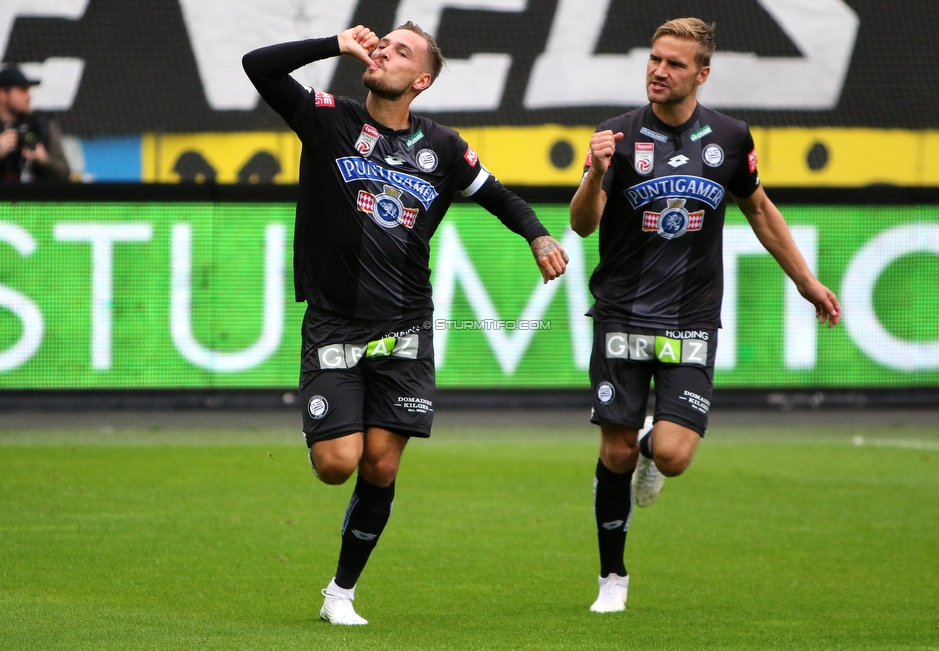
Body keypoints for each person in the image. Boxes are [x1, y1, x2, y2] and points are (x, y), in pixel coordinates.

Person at [242, 23, 568, 625]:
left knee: (382, 464)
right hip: (336, 323)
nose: (383, 52)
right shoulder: (327, 118)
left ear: (419, 81)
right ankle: (327, 426)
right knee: (337, 465)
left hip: (406, 324)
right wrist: (334, 44)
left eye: (399, 50)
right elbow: (257, 63)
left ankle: (340, 593)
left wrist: (538, 234)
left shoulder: (442, 147)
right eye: (381, 44)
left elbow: (498, 195)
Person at [569, 17, 841, 613]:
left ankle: (649, 450)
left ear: (702, 73)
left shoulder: (730, 138)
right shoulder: (616, 135)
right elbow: (583, 223)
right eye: (654, 59)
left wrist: (806, 281)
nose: (659, 71)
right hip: (621, 312)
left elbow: (761, 210)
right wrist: (593, 172)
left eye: (673, 63)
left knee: (674, 454)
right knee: (611, 453)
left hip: (692, 315)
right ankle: (612, 578)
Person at [0, 67, 70, 182]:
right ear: (2, 94)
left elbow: (65, 173)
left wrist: (45, 160)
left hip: (34, 198)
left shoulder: (42, 124)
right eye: (22, 91)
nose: (29, 97)